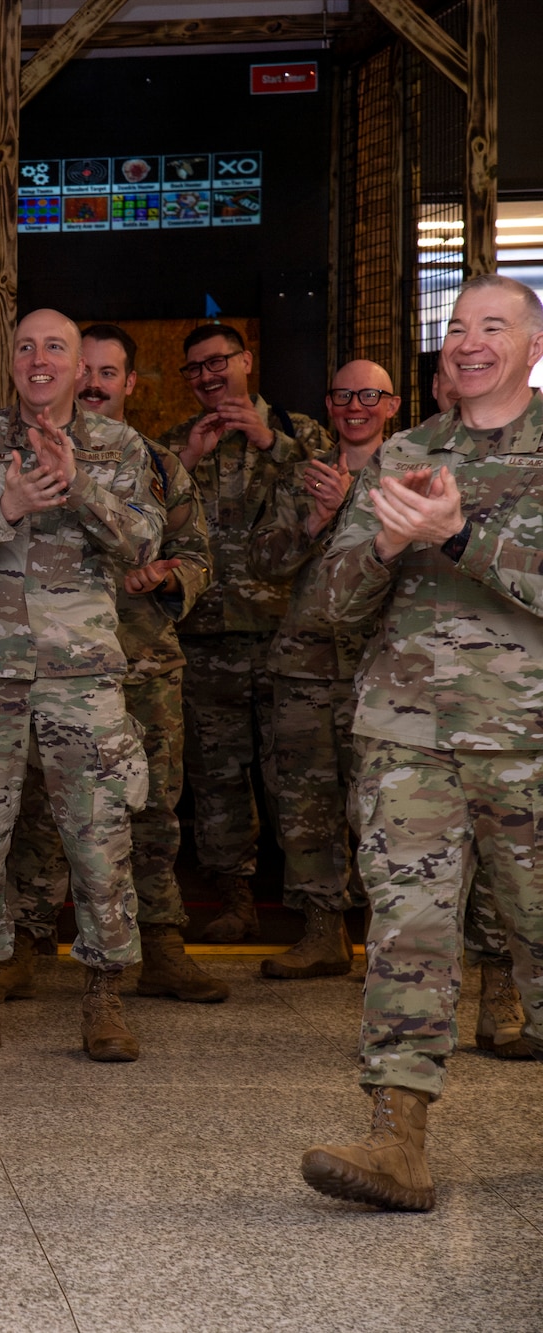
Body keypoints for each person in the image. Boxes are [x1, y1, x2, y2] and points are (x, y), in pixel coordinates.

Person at [300, 275, 543, 1212]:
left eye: (492, 326)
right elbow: (334, 607)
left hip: (528, 741)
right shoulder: (403, 452)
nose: (467, 341)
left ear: (530, 349)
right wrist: (386, 547)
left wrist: (458, 537)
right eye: (455, 327)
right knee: (409, 934)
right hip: (408, 734)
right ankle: (396, 1139)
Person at [0, 309, 162, 1064]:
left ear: (80, 365)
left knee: (98, 840)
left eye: (54, 347)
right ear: (12, 359)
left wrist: (80, 486)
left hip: (80, 677)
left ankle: (104, 1001)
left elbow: (145, 542)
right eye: (24, 345)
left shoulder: (120, 448)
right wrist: (6, 509)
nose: (38, 359)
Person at [3, 324, 226, 1004]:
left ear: (130, 383)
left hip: (142, 665)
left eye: (110, 372)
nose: (95, 382)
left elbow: (198, 557)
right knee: (40, 805)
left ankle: (159, 942)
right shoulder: (15, 457)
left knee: (152, 807)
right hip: (52, 668)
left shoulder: (157, 465)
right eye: (86, 369)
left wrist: (165, 577)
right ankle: (26, 940)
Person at [159, 323, 330, 940]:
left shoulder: (300, 431)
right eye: (194, 368)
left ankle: (318, 915)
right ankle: (233, 898)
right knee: (217, 777)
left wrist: (269, 441)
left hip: (287, 636)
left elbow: (334, 494)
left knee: (300, 778)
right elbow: (139, 516)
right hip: (204, 638)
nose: (207, 376)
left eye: (217, 362)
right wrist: (186, 463)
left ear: (246, 361)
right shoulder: (176, 442)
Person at [247, 360, 397, 981]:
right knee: (304, 804)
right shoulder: (298, 478)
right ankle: (320, 933)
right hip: (304, 665)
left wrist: (356, 506)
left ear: (390, 405)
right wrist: (317, 519)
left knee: (385, 805)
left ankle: (388, 946)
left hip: (383, 668)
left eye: (369, 395)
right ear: (328, 404)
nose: (354, 406)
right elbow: (263, 562)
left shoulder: (413, 477)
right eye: (342, 395)